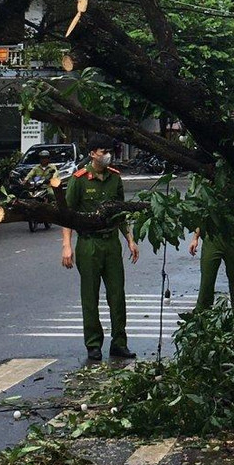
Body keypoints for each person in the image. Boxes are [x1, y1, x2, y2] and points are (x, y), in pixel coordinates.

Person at [61, 143, 139, 364]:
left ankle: (119, 343)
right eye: (103, 152)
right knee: (90, 296)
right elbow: (67, 215)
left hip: (111, 243)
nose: (107, 156)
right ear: (92, 154)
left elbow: (120, 212)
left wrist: (130, 239)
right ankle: (93, 344)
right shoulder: (79, 179)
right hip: (89, 244)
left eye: (109, 152)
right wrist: (66, 245)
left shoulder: (115, 178)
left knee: (117, 294)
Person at [189, 156, 234, 311]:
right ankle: (202, 315)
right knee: (207, 282)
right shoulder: (209, 185)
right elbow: (202, 212)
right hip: (212, 237)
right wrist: (195, 238)